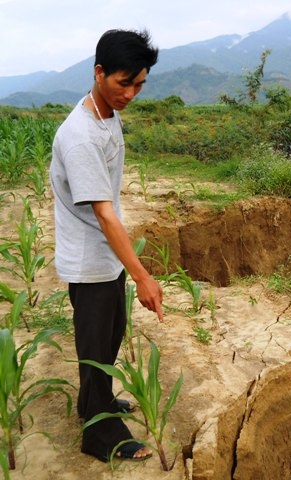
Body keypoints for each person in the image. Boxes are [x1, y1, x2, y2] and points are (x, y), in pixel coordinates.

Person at [50, 29, 163, 462]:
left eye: (139, 84)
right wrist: (144, 276)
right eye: (123, 83)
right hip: (89, 259)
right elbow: (104, 213)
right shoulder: (80, 136)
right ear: (99, 73)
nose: (131, 93)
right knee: (95, 347)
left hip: (106, 256)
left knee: (109, 336)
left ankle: (90, 403)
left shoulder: (106, 113)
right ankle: (101, 436)